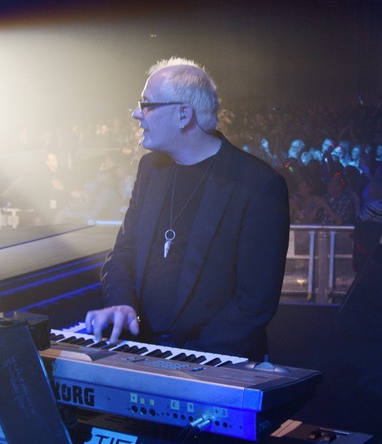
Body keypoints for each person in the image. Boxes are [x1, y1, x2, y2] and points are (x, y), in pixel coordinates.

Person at [84, 57, 290, 361]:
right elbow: (123, 253)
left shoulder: (257, 185)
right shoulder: (150, 169)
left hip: (215, 362)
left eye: (147, 105)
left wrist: (186, 361)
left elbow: (254, 303)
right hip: (142, 351)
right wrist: (122, 304)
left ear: (183, 114)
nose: (136, 114)